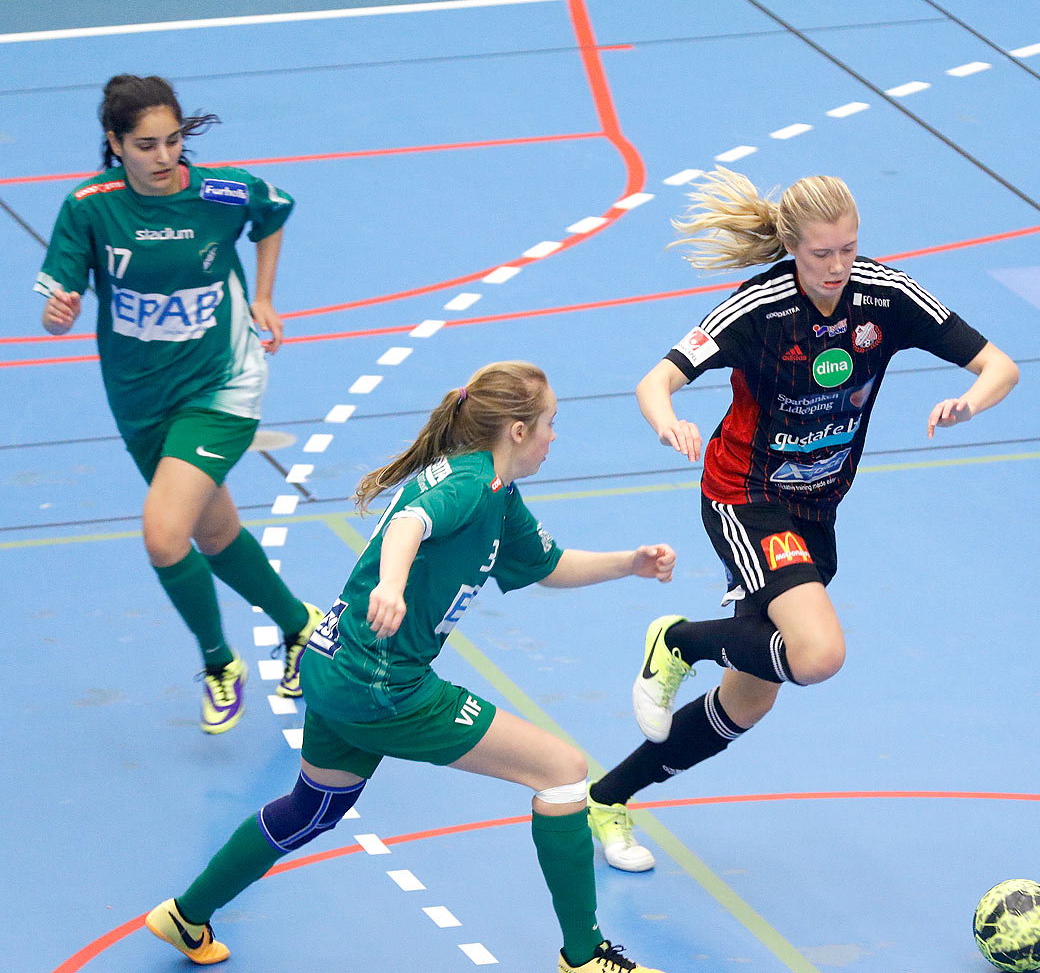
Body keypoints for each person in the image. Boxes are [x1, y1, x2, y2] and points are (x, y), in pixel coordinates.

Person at [146, 362, 677, 972]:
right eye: (551, 422)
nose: (557, 435)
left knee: (313, 806)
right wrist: (392, 586)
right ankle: (584, 958)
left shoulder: (498, 496)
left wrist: (628, 563)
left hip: (331, 664)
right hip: (382, 684)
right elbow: (408, 523)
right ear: (517, 431)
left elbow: (545, 565)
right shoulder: (470, 486)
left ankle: (185, 915)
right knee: (562, 772)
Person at [585, 167, 1020, 871]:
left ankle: (609, 798)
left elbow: (999, 365)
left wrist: (971, 401)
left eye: (849, 249)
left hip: (815, 510)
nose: (838, 266)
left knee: (747, 702)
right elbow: (656, 379)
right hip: (743, 495)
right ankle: (679, 641)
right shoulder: (757, 309)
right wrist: (669, 421)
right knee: (819, 655)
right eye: (821, 254)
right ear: (791, 248)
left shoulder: (888, 297)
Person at [33, 74, 318, 733]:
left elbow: (273, 211)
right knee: (213, 533)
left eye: (172, 142)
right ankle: (302, 626)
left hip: (221, 382)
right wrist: (61, 311)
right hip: (138, 395)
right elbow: (56, 316)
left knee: (165, 535)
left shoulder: (215, 189)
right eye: (146, 145)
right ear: (115, 143)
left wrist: (265, 296)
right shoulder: (90, 208)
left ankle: (220, 665)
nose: (163, 158)